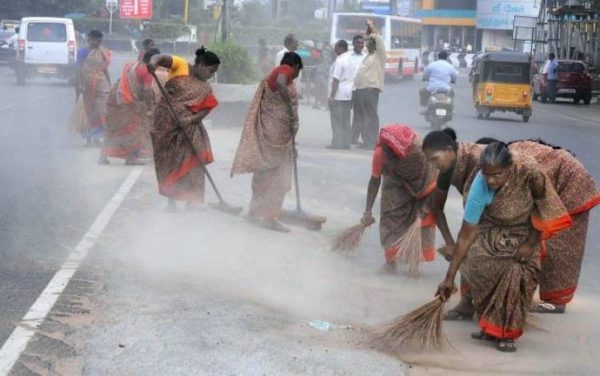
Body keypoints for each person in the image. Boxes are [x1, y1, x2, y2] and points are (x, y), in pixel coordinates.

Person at [434, 142, 571, 353]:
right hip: (493, 226)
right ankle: (490, 326)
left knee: (516, 270)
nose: (491, 180)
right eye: (486, 175)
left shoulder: (528, 171)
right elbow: (466, 234)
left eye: (497, 175)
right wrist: (449, 277)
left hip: (527, 229)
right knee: (476, 260)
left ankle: (507, 334)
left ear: (510, 168)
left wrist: (530, 244)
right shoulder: (479, 185)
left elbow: (543, 206)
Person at [479, 138, 600, 313]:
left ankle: (556, 301)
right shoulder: (508, 159)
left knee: (559, 244)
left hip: (571, 186)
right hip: (557, 181)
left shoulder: (518, 163)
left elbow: (536, 201)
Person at [230, 52, 303, 233]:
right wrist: (288, 107)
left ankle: (254, 212)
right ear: (295, 66)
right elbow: (280, 82)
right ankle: (269, 217)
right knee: (278, 175)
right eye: (298, 71)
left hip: (270, 133)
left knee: (263, 172)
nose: (296, 75)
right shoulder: (284, 69)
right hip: (276, 134)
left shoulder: (276, 73)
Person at [147, 48, 221, 211]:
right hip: (166, 124)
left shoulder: (206, 87)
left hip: (189, 126)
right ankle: (171, 202)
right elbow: (158, 57)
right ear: (201, 65)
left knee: (193, 159)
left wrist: (190, 119)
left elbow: (207, 107)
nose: (211, 75)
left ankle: (192, 200)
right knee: (170, 161)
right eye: (210, 71)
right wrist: (153, 64)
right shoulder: (181, 65)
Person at [361, 125, 438, 267]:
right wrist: (367, 211)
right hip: (395, 180)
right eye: (387, 156)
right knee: (390, 215)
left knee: (419, 220)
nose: (389, 160)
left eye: (393, 157)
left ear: (402, 152)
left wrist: (424, 208)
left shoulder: (421, 153)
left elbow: (432, 182)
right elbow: (375, 180)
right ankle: (391, 260)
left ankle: (414, 260)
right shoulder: (380, 154)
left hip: (421, 182)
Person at [99, 48, 161, 166]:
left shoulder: (132, 65)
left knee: (113, 128)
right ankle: (131, 158)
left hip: (117, 99)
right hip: (129, 103)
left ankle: (103, 156)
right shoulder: (147, 71)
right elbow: (146, 90)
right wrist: (149, 108)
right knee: (135, 130)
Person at [352, 20, 386, 149]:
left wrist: (371, 25)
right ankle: (367, 141)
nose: (367, 44)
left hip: (371, 89)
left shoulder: (379, 55)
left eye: (370, 43)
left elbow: (377, 38)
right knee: (362, 116)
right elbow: (368, 36)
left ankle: (372, 141)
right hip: (361, 89)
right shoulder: (369, 54)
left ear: (375, 45)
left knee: (370, 115)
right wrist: (367, 28)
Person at [77, 30, 111, 147]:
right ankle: (88, 140)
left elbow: (105, 69)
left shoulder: (102, 52)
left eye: (100, 41)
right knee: (88, 110)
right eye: (96, 40)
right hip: (87, 83)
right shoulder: (83, 52)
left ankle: (97, 138)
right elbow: (78, 70)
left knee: (101, 110)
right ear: (89, 39)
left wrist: (109, 84)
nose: (98, 43)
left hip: (101, 83)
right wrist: (79, 85)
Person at [328, 40, 353, 150]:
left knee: (336, 120)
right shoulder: (351, 59)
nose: (334, 50)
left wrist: (332, 96)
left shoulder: (340, 60)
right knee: (346, 120)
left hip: (339, 94)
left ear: (341, 48)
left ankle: (337, 143)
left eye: (336, 47)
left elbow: (336, 80)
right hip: (348, 94)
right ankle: (346, 143)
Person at [348, 35, 366, 145]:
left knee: (359, 114)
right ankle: (345, 136)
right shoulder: (348, 56)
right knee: (346, 113)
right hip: (349, 89)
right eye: (358, 42)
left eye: (361, 43)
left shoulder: (366, 57)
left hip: (361, 89)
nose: (360, 45)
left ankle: (354, 137)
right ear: (353, 43)